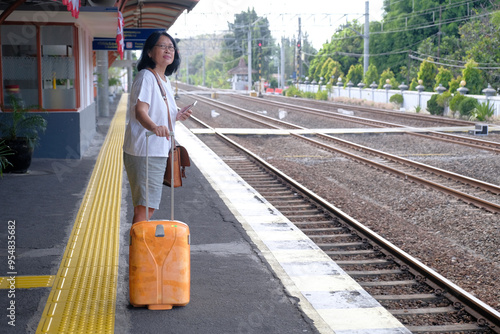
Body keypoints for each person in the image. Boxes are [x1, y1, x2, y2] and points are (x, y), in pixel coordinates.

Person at [123, 31, 192, 224]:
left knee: (145, 207)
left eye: (171, 47)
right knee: (146, 209)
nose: (168, 50)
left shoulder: (163, 80)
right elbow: (141, 111)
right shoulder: (146, 77)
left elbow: (156, 111)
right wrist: (154, 127)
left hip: (156, 150)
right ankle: (139, 252)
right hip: (146, 151)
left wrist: (176, 116)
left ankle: (140, 251)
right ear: (150, 53)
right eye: (162, 46)